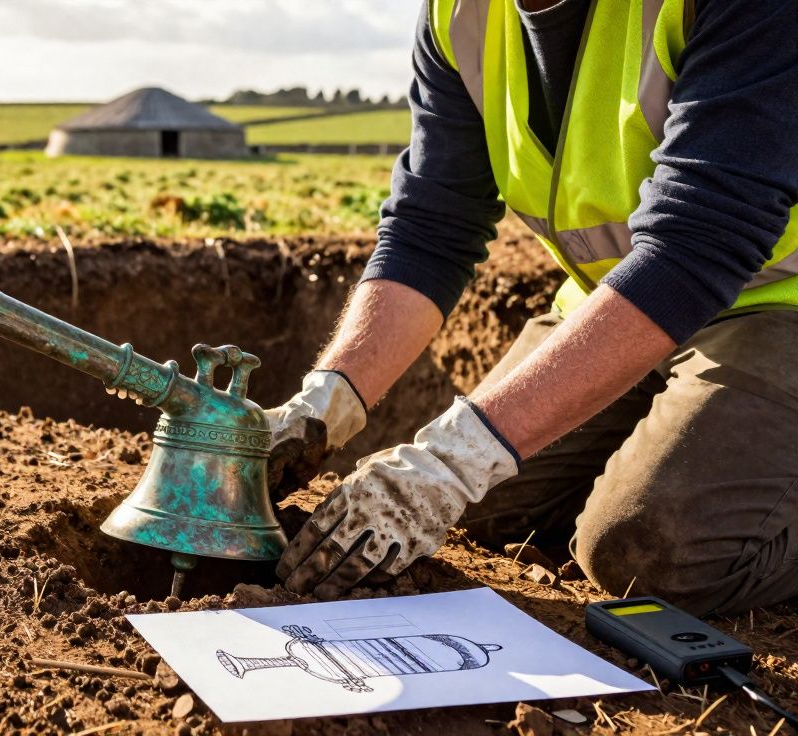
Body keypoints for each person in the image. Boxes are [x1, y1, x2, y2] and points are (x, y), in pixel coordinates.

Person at [266, 0, 798, 615]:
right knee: (489, 512)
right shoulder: (459, 17)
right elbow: (430, 229)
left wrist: (455, 457)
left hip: (775, 302)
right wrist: (325, 405)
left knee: (650, 556)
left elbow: (697, 244)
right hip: (618, 302)